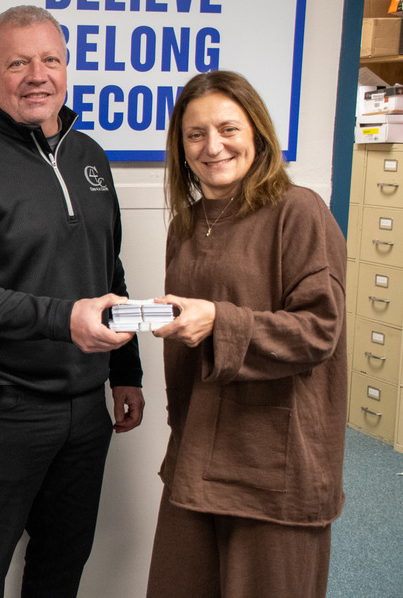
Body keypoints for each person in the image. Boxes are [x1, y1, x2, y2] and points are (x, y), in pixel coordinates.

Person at [0, 5, 146, 598]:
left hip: (86, 405)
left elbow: (108, 267)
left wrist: (126, 370)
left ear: (67, 68)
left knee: (61, 568)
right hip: (2, 408)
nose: (36, 75)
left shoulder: (90, 156)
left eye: (50, 60)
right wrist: (63, 319)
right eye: (17, 62)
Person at [144, 70, 347, 597]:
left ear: (257, 133)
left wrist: (219, 321)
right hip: (196, 454)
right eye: (196, 135)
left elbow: (319, 330)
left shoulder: (298, 211)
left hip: (271, 462)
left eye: (228, 129)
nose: (213, 146)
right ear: (181, 147)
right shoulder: (186, 225)